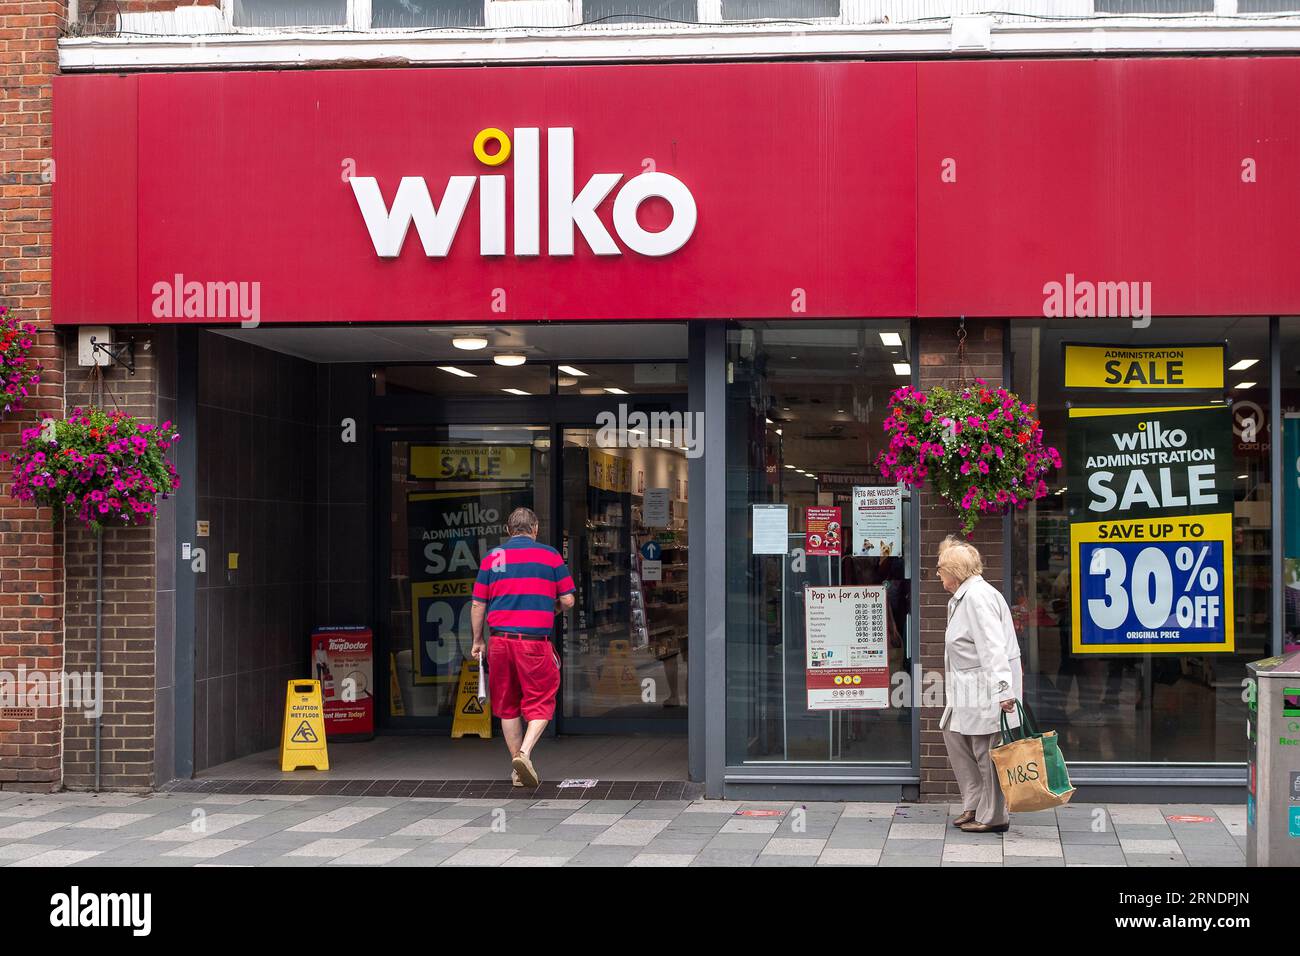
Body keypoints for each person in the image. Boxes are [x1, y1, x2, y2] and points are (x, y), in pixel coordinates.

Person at [470, 507, 576, 788]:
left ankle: (517, 771)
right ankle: (525, 754)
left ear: (508, 530)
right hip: (533, 644)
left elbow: (479, 603)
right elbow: (568, 601)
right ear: (535, 529)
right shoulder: (550, 556)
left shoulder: (493, 558)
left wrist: (478, 640)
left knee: (508, 706)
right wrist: (547, 609)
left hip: (500, 643)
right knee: (541, 700)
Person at [937, 541, 1023, 833]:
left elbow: (992, 647)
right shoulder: (964, 596)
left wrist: (1003, 690)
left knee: (987, 752)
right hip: (966, 689)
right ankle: (974, 802)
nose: (938, 574)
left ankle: (994, 815)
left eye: (941, 569)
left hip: (984, 687)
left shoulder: (977, 598)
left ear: (954, 571)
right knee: (953, 734)